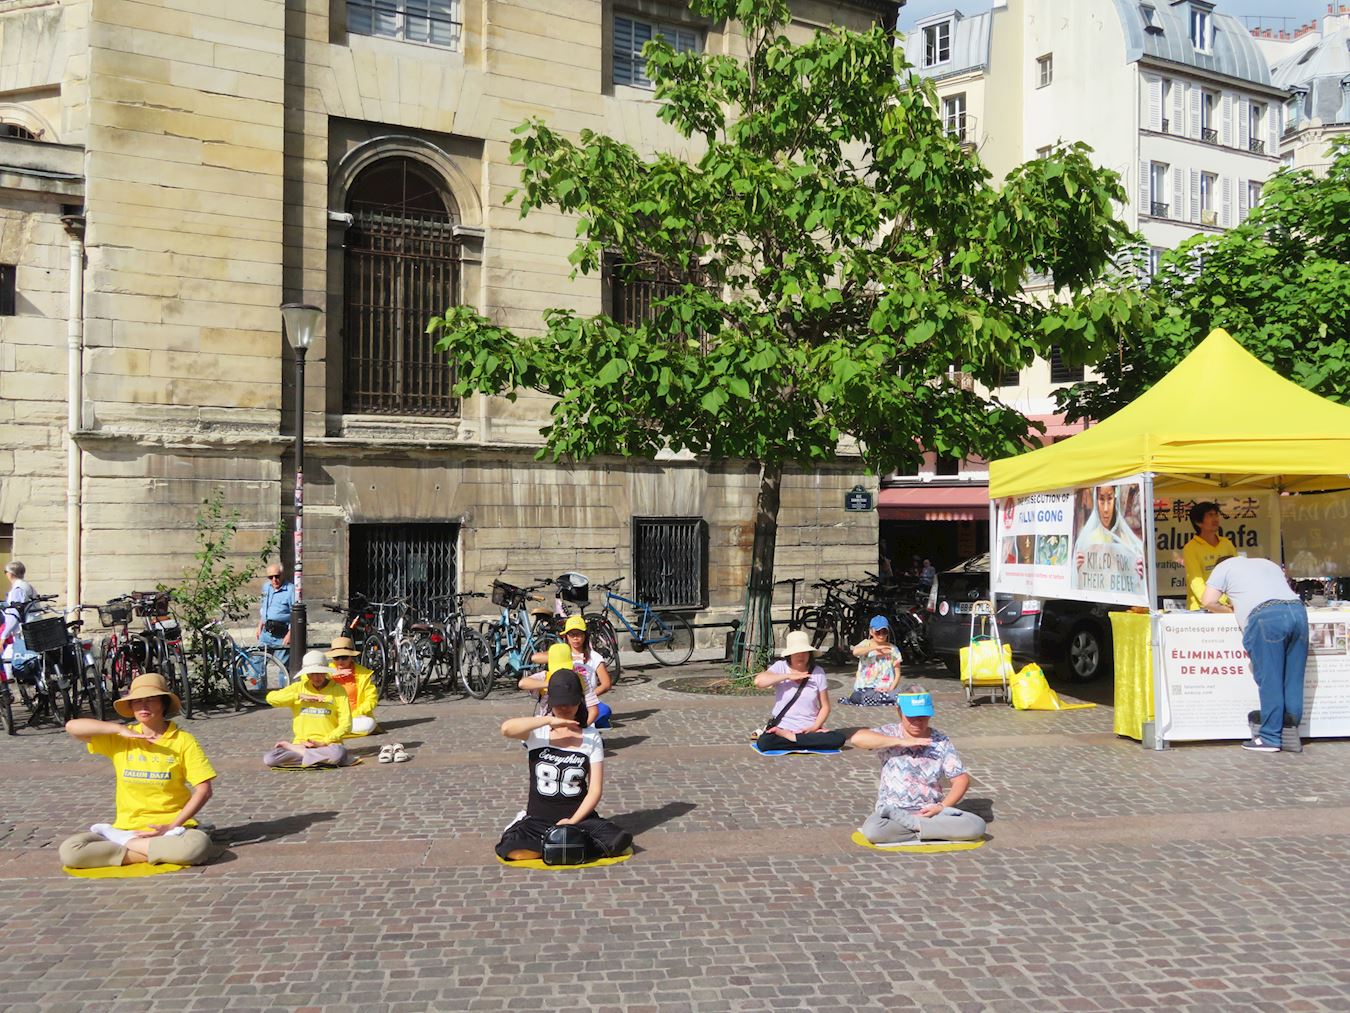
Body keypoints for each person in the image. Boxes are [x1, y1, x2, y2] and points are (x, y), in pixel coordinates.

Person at [58, 673, 218, 868]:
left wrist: (172, 825)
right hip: (127, 828)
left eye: (151, 700)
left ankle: (127, 848)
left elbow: (204, 790)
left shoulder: (183, 741)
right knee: (71, 851)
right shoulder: (122, 738)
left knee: (196, 847)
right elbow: (72, 726)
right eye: (137, 702)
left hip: (172, 829)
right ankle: (147, 848)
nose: (144, 707)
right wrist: (118, 729)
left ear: (163, 704)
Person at [495, 667, 632, 862]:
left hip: (579, 820)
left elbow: (595, 790)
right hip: (538, 821)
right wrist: (550, 719)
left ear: (579, 702)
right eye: (560, 704)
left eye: (571, 703)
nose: (565, 708)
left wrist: (571, 822)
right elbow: (506, 729)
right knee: (512, 849)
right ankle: (558, 845)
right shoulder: (538, 732)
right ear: (551, 702)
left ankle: (556, 845)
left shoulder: (591, 736)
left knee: (619, 841)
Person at [849, 685, 986, 843]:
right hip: (893, 813)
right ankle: (931, 831)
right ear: (899, 711)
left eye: (923, 716)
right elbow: (858, 739)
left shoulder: (940, 740)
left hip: (931, 812)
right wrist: (901, 742)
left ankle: (916, 826)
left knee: (976, 826)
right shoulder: (890, 733)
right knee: (873, 830)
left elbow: (961, 780)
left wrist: (941, 807)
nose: (918, 722)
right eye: (912, 716)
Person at [1202, 556, 1308, 753]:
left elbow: (1208, 600)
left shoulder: (1223, 567)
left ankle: (1269, 738)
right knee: (1293, 678)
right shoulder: (1268, 563)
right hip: (1298, 611)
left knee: (1270, 678)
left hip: (1265, 617)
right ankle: (1290, 733)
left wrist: (1231, 611)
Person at [753, 629, 846, 752]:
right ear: (789, 654)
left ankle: (794, 739)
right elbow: (759, 682)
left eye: (804, 652)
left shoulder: (818, 672)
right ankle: (799, 740)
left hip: (808, 730)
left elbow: (825, 707)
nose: (801, 656)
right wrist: (787, 676)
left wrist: (815, 727)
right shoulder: (781, 667)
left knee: (838, 739)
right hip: (783, 729)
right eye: (796, 652)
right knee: (764, 743)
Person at [263, 650, 354, 767]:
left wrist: (324, 742)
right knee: (270, 759)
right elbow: (271, 698)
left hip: (327, 745)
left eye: (320, 673)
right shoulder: (298, 688)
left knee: (338, 754)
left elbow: (346, 724)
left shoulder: (338, 690)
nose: (316, 678)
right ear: (306, 674)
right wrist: (298, 696)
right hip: (301, 743)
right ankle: (313, 757)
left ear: (326, 672)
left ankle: (304, 754)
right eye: (312, 674)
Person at [1073, 484, 1145, 594]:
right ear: (1096, 501)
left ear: (1115, 500)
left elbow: (1137, 586)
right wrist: (1078, 569)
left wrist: (1138, 572)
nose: (1106, 509)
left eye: (1110, 499)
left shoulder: (1128, 542)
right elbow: (1078, 587)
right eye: (1101, 500)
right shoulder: (1086, 542)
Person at [1182, 501, 1237, 611]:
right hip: (1201, 609)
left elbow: (1236, 573)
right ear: (1198, 522)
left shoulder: (1226, 543)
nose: (1215, 518)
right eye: (1210, 515)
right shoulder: (1191, 548)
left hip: (1228, 606)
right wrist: (1213, 603)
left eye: (1216, 514)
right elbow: (1196, 580)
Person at [326, 636, 378, 736]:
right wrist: (331, 675)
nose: (340, 661)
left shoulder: (363, 674)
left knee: (369, 724)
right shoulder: (325, 672)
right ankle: (340, 729)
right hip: (331, 716)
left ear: (351, 657)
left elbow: (372, 699)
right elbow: (306, 682)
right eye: (336, 658)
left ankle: (337, 730)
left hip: (355, 717)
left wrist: (355, 713)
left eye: (344, 657)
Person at [845, 616, 901, 706]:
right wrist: (875, 647)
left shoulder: (893, 649)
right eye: (878, 632)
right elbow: (855, 652)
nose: (881, 635)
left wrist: (891, 688)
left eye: (884, 632)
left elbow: (897, 673)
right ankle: (876, 699)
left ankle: (878, 699)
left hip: (885, 689)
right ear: (871, 631)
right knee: (857, 697)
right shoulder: (866, 643)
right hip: (865, 688)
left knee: (899, 695)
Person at [3, 560, 35, 681]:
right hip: (32, 627)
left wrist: (3, 636)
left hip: (23, 631)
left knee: (8, 658)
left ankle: (8, 689)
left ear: (10, 574)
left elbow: (14, 615)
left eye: (5, 572)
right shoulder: (27, 586)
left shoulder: (17, 590)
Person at [256, 562, 294, 667]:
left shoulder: (291, 590)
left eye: (277, 576)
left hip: (282, 634)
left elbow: (296, 615)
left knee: (283, 666)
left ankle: (285, 684)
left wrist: (290, 635)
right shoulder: (266, 587)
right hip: (266, 632)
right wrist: (260, 625)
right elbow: (264, 608)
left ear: (282, 575)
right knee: (258, 663)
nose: (274, 580)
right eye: (270, 577)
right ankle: (259, 684)